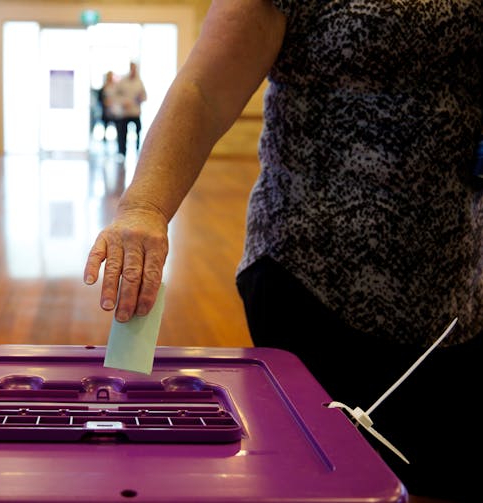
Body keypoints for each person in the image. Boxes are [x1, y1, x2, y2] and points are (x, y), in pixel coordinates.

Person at [83, 1, 482, 502]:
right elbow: (204, 91)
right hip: (316, 281)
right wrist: (144, 206)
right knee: (333, 483)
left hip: (461, 285)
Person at [114, 61, 146, 157]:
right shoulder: (123, 81)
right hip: (125, 113)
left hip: (135, 112)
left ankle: (137, 151)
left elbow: (144, 96)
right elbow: (116, 95)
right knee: (123, 134)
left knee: (138, 132)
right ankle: (122, 153)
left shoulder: (139, 82)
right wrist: (122, 103)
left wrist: (141, 98)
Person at [97, 71, 119, 144]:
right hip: (106, 111)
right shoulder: (103, 88)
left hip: (115, 110)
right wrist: (105, 103)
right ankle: (104, 142)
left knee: (117, 126)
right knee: (105, 126)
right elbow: (99, 99)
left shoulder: (116, 87)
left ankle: (117, 142)